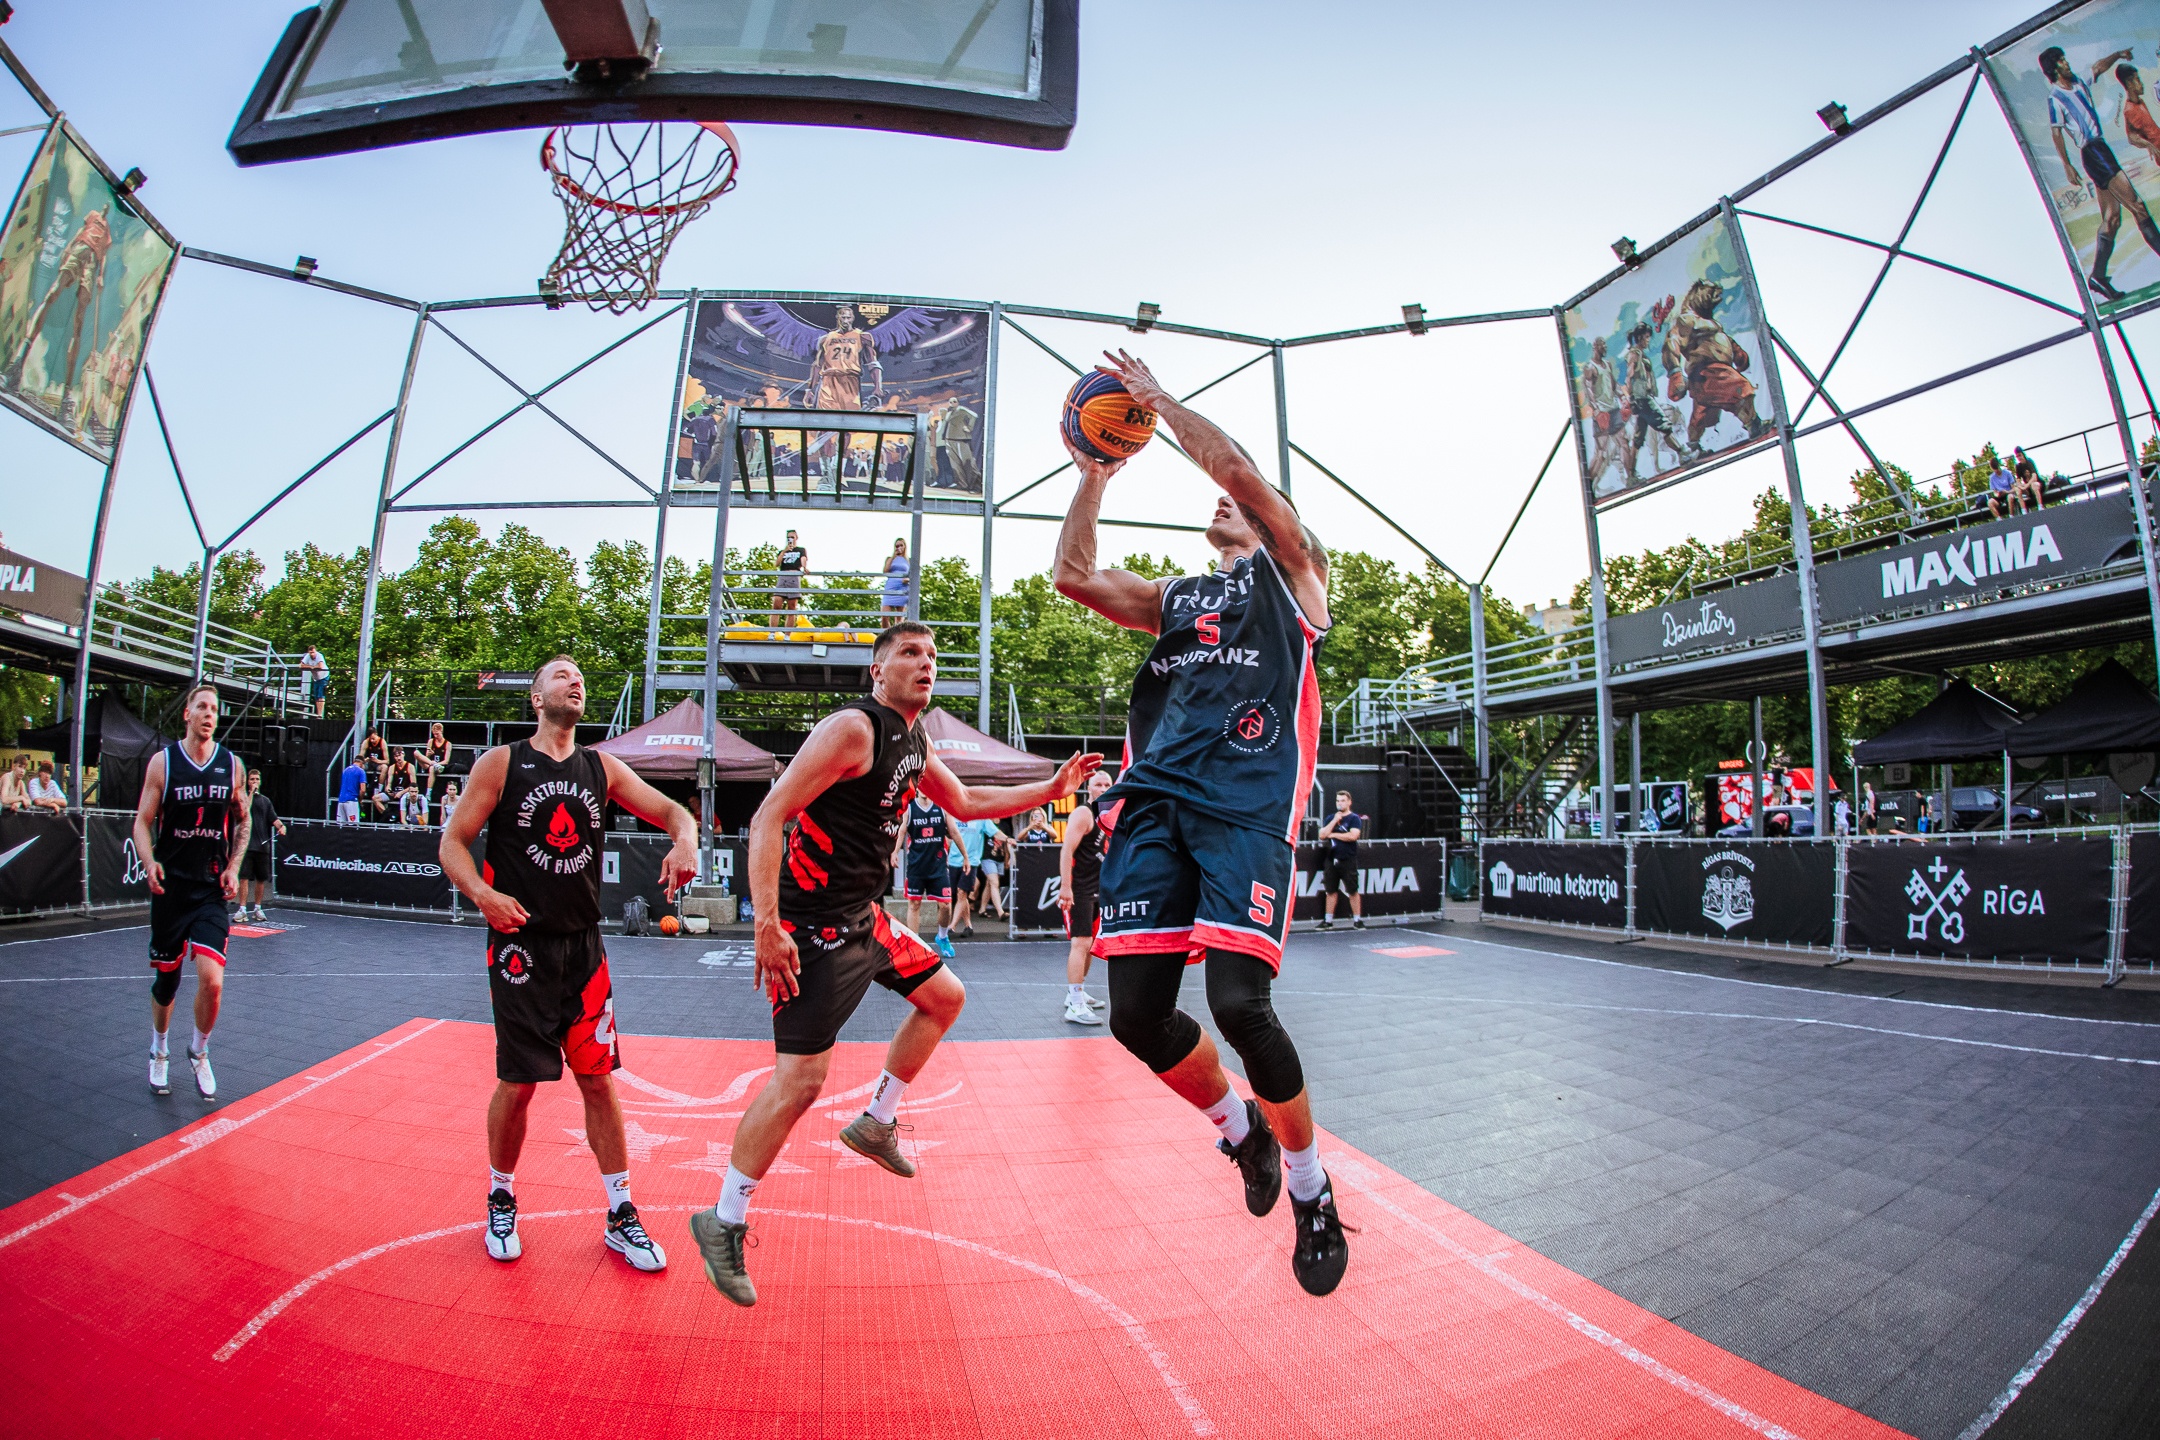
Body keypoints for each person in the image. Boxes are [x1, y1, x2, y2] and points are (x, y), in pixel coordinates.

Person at [688, 621, 1098, 1306]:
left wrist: (1050, 788)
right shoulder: (854, 729)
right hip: (811, 927)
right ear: (877, 672)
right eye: (909, 653)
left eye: (932, 654)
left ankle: (876, 1120)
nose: (924, 662)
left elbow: (966, 802)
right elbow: (768, 817)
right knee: (800, 1082)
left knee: (946, 997)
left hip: (865, 917)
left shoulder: (916, 740)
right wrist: (766, 925)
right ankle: (722, 1219)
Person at [1054, 350, 1351, 1297]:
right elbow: (1072, 574)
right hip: (1154, 808)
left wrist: (1161, 404)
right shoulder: (1178, 598)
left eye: (1243, 503)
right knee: (1135, 1016)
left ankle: (1311, 1189)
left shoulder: (1292, 579)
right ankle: (1243, 1134)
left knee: (1238, 1005)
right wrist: (1093, 475)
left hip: (1244, 812)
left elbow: (1238, 472)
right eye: (1225, 501)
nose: (1226, 501)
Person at [440, 656, 698, 1273]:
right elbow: (452, 843)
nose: (574, 681)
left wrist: (685, 838)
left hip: (584, 950)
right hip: (520, 949)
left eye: (579, 676)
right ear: (536, 698)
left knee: (598, 1080)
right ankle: (501, 1196)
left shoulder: (600, 767)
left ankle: (620, 1212)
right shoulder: (501, 764)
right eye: (560, 675)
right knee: (519, 1082)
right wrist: (482, 894)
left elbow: (674, 812)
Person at [134, 684, 248, 1100]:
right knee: (167, 982)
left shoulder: (231, 765)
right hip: (171, 889)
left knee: (212, 981)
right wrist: (149, 861)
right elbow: (142, 821)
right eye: (202, 706)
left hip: (210, 888)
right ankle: (159, 1048)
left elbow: (243, 819)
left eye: (215, 708)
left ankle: (199, 1050)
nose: (209, 714)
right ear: (187, 714)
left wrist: (233, 866)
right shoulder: (163, 763)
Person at [2042, 44, 2160, 302]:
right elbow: (2056, 131)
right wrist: (2067, 165)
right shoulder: (2056, 97)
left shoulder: (2079, 83)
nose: (2066, 63)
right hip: (2093, 152)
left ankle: (2097, 276)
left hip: (2100, 149)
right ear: (2054, 68)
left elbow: (2097, 68)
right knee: (2138, 206)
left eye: (2065, 58)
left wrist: (2118, 55)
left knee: (2112, 219)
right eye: (2061, 61)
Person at [1058, 769, 1113, 1024]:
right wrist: (1065, 887)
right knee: (1080, 944)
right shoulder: (1084, 813)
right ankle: (1075, 1004)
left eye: (1107, 784)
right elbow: (1066, 849)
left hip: (1098, 891)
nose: (1103, 788)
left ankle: (1076, 993)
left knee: (1089, 945)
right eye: (1098, 784)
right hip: (1079, 890)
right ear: (1089, 788)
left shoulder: (1109, 818)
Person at [897, 788, 963, 957]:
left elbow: (954, 831)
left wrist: (966, 857)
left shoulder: (942, 806)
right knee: (914, 904)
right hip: (916, 866)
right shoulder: (910, 808)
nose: (925, 790)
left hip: (938, 866)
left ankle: (942, 937)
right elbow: (902, 830)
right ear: (917, 788)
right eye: (922, 786)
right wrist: (894, 852)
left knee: (946, 905)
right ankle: (915, 944)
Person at [237, 768, 284, 923]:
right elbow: (244, 811)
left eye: (257, 779)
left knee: (261, 878)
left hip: (262, 846)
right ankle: (242, 909)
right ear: (247, 782)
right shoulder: (244, 798)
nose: (255, 782)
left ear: (260, 781)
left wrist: (281, 826)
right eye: (252, 779)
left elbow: (273, 818)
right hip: (246, 846)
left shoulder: (265, 801)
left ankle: (257, 908)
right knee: (244, 878)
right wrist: (251, 793)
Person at [1315, 791, 1366, 931]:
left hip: (1348, 858)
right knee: (1330, 890)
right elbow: (1322, 835)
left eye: (1343, 800)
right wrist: (1334, 821)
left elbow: (1353, 836)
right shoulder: (1330, 818)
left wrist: (1333, 835)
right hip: (1332, 858)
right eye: (1338, 801)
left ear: (1349, 802)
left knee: (1352, 890)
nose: (1340, 803)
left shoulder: (1354, 818)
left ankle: (1357, 920)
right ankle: (1328, 920)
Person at [773, 529, 808, 629]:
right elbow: (777, 564)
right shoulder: (782, 551)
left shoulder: (800, 550)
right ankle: (772, 632)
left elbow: (803, 559)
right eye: (788, 537)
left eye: (792, 537)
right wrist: (785, 551)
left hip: (794, 576)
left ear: (796, 538)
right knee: (776, 604)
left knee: (792, 607)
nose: (790, 539)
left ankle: (787, 634)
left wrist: (804, 567)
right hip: (783, 576)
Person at [881, 538, 912, 620]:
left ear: (905, 546)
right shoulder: (890, 559)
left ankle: (898, 629)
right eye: (897, 546)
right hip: (891, 586)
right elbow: (885, 571)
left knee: (899, 618)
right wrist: (893, 556)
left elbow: (913, 575)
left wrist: (907, 580)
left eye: (901, 545)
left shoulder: (909, 560)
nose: (899, 547)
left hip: (902, 587)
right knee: (884, 616)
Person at [2011, 447, 2047, 511]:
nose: (2019, 458)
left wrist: (2026, 486)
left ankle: (2040, 506)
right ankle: (2024, 510)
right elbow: (2018, 480)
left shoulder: (2029, 462)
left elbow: (2034, 477)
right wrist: (2020, 486)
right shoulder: (2018, 466)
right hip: (2028, 488)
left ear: (2023, 454)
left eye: (2020, 455)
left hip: (2038, 485)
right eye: (2017, 456)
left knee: (2034, 484)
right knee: (2018, 490)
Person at [421, 722, 453, 795]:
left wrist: (436, 764)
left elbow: (446, 761)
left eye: (437, 734)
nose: (435, 736)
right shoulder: (431, 741)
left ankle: (428, 793)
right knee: (416, 753)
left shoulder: (448, 744)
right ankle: (431, 765)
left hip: (440, 766)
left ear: (441, 731)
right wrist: (428, 755)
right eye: (434, 734)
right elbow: (426, 758)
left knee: (432, 768)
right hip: (429, 763)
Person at [301, 645, 328, 718]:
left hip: (324, 676)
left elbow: (321, 666)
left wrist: (313, 667)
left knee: (321, 695)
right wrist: (310, 666)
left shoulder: (319, 656)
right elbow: (301, 665)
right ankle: (318, 713)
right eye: (310, 653)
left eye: (313, 652)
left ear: (315, 651)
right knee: (316, 696)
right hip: (316, 678)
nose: (312, 654)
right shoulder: (307, 656)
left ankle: (320, 714)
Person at [336, 756, 365, 825]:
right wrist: (360, 800)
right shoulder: (361, 771)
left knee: (340, 826)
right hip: (352, 801)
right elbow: (363, 790)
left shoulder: (345, 770)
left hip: (341, 800)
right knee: (353, 826)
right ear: (361, 763)